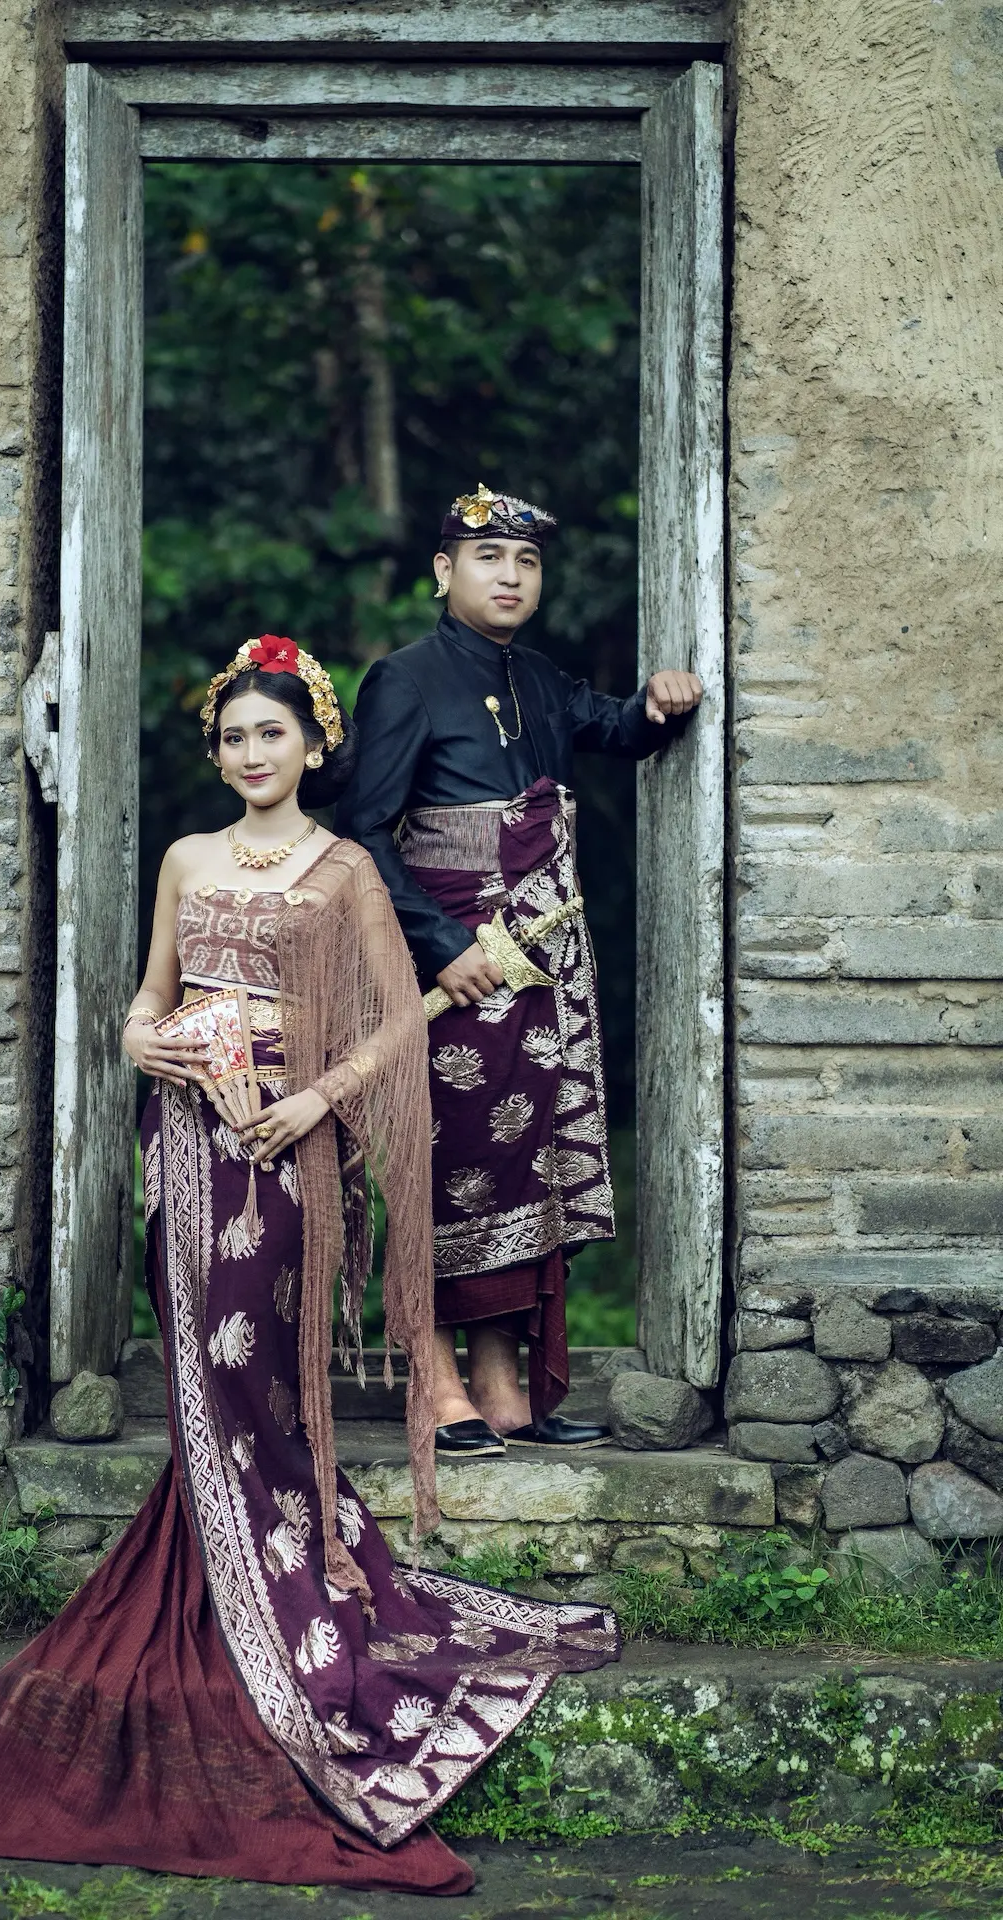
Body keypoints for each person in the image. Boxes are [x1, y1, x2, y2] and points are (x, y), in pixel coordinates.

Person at [0, 632, 619, 1893]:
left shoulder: (347, 873)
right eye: (231, 737)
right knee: (202, 1364)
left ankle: (275, 1578)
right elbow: (146, 999)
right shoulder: (186, 857)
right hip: (186, 1137)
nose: (248, 753)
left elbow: (394, 1029)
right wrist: (143, 1042)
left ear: (314, 744)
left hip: (289, 1147)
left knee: (251, 1365)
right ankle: (223, 1575)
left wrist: (316, 1100)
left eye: (269, 733)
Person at [337, 486, 703, 1459]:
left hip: (542, 974)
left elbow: (617, 727)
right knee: (447, 1167)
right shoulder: (403, 679)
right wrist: (440, 943)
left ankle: (503, 1388)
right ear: (442, 571)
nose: (509, 576)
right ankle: (435, 1383)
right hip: (450, 970)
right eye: (488, 557)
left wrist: (659, 701)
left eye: (526, 562)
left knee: (522, 1168)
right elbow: (363, 830)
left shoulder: (538, 679)